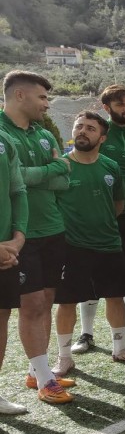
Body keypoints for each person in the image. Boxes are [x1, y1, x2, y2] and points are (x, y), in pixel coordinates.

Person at [51, 112, 125, 375]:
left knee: (115, 296)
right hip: (72, 247)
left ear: (102, 137)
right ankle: (64, 357)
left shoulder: (110, 166)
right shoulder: (61, 166)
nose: (82, 131)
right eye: (79, 126)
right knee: (67, 301)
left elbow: (118, 204)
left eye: (90, 128)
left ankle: (120, 348)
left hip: (109, 243)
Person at [0, 70, 73, 405]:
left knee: (44, 302)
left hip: (52, 228)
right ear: (20, 95)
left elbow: (64, 180)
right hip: (19, 234)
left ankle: (36, 370)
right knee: (30, 304)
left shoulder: (43, 134)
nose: (46, 104)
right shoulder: (2, 134)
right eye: (42, 97)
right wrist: (52, 169)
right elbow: (17, 179)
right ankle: (46, 379)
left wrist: (45, 174)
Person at [72, 85, 125, 356]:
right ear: (107, 108)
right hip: (101, 215)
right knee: (92, 272)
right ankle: (86, 332)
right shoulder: (99, 134)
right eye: (121, 105)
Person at [0, 122, 29, 415]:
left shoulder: (4, 140)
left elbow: (18, 191)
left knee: (0, 317)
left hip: (6, 251)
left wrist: (18, 239)